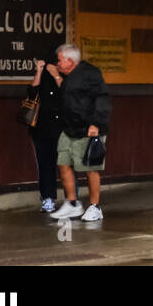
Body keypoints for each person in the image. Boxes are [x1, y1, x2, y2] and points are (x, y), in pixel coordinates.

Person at [48, 44, 111, 222]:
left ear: (70, 60)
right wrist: (56, 76)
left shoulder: (91, 73)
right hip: (68, 129)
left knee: (90, 168)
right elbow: (67, 96)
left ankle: (95, 207)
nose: (58, 63)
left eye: (60, 60)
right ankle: (73, 204)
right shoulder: (68, 76)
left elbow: (102, 98)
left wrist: (96, 124)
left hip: (88, 129)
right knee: (63, 163)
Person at [27, 57, 63, 212]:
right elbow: (32, 92)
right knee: (45, 165)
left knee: (64, 165)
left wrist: (56, 74)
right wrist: (39, 71)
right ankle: (48, 199)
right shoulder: (42, 77)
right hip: (41, 129)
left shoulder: (64, 78)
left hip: (62, 129)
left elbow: (68, 93)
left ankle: (72, 199)